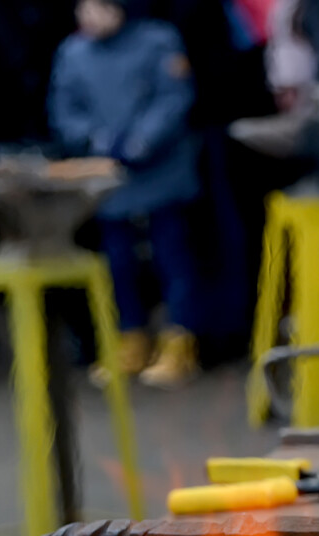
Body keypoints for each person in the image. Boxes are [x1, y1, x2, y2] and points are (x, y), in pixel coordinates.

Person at [50, 0, 203, 387]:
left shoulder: (158, 41)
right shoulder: (72, 53)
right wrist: (96, 139)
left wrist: (141, 141)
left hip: (161, 170)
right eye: (82, 7)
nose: (88, 16)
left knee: (173, 254)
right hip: (108, 178)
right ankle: (129, 336)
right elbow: (63, 109)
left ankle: (180, 337)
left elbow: (174, 96)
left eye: (99, 6)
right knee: (118, 261)